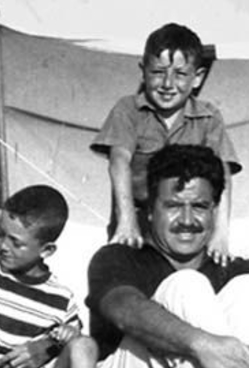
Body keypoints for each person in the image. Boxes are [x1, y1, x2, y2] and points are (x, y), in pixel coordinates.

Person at [86, 144, 249, 368]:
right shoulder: (120, 257)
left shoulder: (231, 269)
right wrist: (201, 345)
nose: (187, 220)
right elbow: (123, 308)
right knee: (186, 285)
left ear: (214, 212)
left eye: (199, 206)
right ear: (150, 211)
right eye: (173, 206)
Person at [90, 23, 241, 262]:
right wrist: (127, 221)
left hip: (186, 228)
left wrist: (221, 234)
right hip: (139, 225)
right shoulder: (128, 110)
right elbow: (119, 161)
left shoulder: (209, 116)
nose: (168, 84)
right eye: (158, 72)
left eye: (180, 74)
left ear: (197, 78)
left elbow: (223, 173)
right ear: (143, 71)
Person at [0, 185, 97, 368]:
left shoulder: (61, 299)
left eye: (16, 243)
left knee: (86, 345)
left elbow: (73, 338)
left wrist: (61, 338)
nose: (3, 246)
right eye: (1, 234)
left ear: (46, 250)